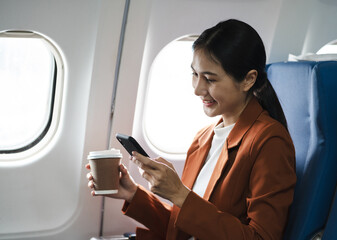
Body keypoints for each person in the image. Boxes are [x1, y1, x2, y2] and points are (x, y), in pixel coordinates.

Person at [86, 19, 296, 240]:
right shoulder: (204, 138)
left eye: (210, 79)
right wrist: (133, 194)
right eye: (195, 74)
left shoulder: (270, 142)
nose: (197, 89)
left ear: (248, 80)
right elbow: (184, 229)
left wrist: (179, 193)